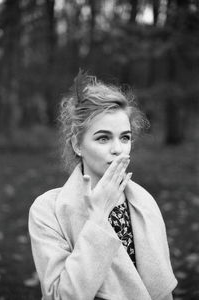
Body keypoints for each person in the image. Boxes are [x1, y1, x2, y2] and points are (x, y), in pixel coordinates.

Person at [28, 70, 177, 300]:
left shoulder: (144, 202)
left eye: (125, 137)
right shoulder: (47, 211)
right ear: (77, 144)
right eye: (103, 138)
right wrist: (97, 219)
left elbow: (163, 291)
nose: (118, 149)